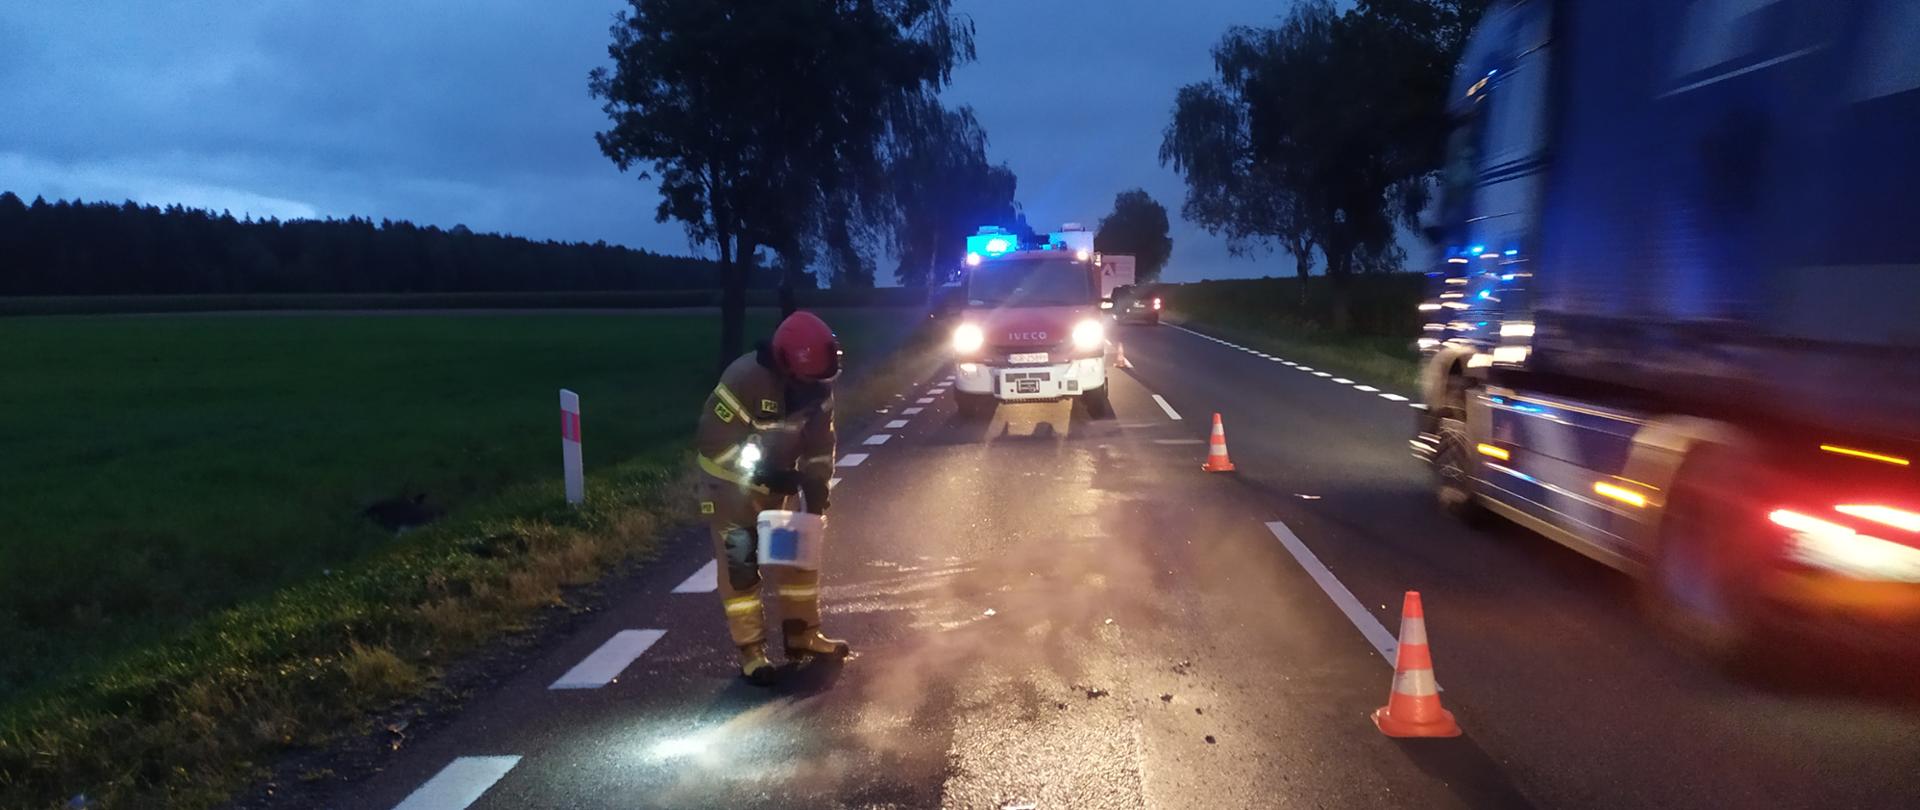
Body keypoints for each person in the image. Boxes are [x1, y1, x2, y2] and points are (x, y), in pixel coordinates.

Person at [693, 311, 851, 685]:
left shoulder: (818, 387)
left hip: (776, 485)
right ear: (788, 365)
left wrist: (817, 488)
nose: (817, 387)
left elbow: (819, 445)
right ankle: (752, 653)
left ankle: (803, 635)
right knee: (741, 564)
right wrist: (761, 472)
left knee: (798, 556)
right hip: (728, 488)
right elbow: (713, 442)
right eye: (809, 379)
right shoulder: (744, 379)